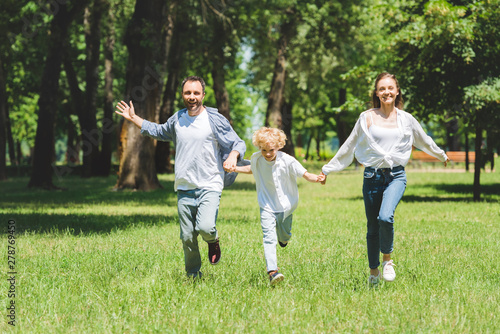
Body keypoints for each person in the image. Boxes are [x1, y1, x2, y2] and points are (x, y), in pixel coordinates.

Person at [318, 72, 449, 285]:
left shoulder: (406, 119)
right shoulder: (367, 117)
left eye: (390, 88)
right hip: (371, 176)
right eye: (382, 89)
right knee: (372, 227)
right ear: (377, 93)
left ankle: (387, 259)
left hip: (396, 176)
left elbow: (423, 139)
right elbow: (349, 145)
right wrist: (328, 169)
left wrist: (441, 154)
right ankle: (373, 273)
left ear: (397, 91)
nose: (386, 92)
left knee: (385, 217)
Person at [115, 76, 246, 278]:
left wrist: (232, 156)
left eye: (195, 93)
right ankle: (193, 274)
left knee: (205, 226)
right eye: (187, 93)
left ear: (203, 95)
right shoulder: (177, 119)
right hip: (185, 185)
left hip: (210, 183)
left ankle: (213, 240)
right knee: (187, 236)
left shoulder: (214, 119)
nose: (191, 97)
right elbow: (158, 131)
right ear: (182, 95)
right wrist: (134, 118)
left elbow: (238, 143)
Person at [231, 127, 321, 285]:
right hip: (266, 205)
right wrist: (235, 168)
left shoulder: (287, 160)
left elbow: (305, 174)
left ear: (279, 146)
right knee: (268, 238)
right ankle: (272, 271)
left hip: (286, 206)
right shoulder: (257, 158)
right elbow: (252, 168)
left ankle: (284, 239)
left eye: (271, 150)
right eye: (263, 149)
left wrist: (316, 178)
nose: (267, 154)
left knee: (284, 236)